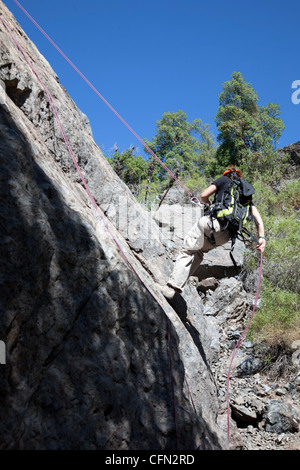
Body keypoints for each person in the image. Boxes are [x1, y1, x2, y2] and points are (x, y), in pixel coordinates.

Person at [159, 167, 266, 299]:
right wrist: (261, 238)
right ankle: (178, 284)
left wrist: (208, 204)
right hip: (224, 237)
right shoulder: (245, 196)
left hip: (211, 224)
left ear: (227, 174)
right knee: (199, 252)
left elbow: (204, 195)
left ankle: (171, 287)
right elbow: (258, 219)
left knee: (187, 251)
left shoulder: (224, 180)